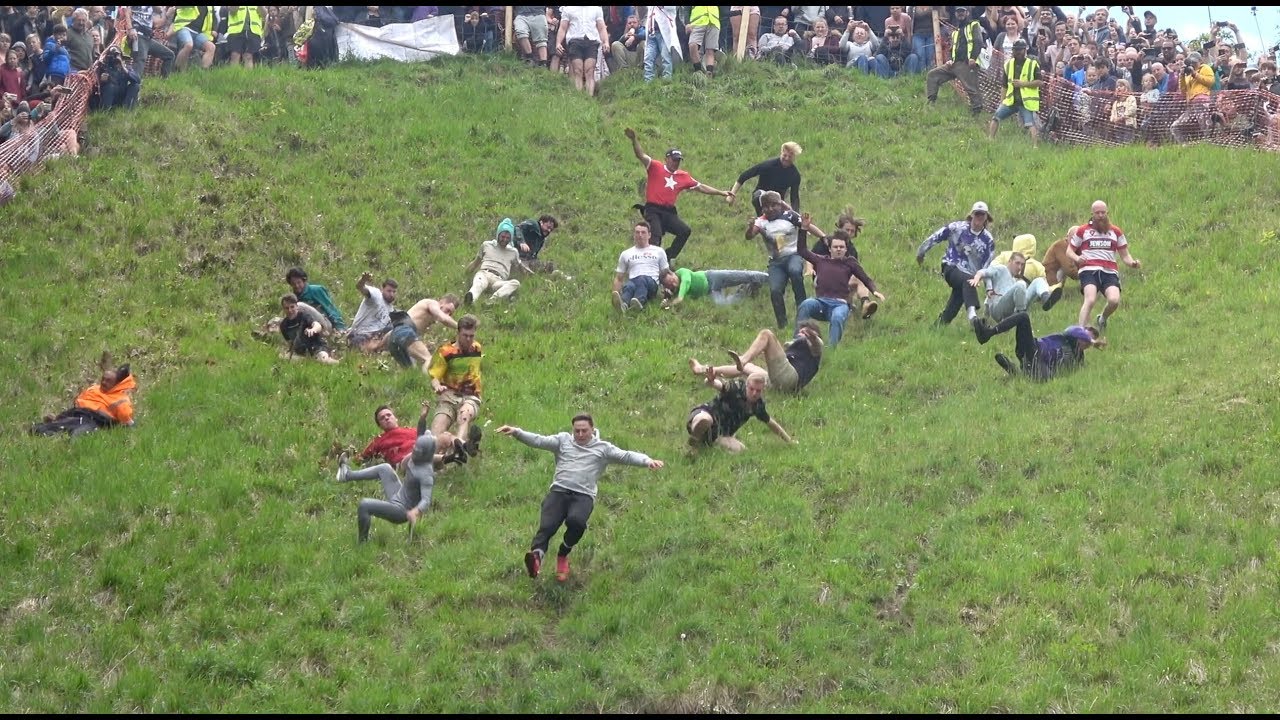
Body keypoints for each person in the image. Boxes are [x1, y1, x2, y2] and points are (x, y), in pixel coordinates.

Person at [500, 414, 664, 582]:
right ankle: (536, 558)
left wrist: (647, 461)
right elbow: (539, 441)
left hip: (583, 496)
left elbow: (626, 455)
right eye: (576, 431)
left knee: (577, 523)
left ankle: (563, 554)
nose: (580, 434)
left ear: (592, 429)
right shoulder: (563, 441)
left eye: (584, 431)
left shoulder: (603, 449)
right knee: (547, 527)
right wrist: (517, 432)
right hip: (559, 492)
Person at [624, 126, 732, 262]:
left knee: (684, 231)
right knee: (655, 237)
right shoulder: (655, 166)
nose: (676, 163)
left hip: (669, 212)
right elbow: (641, 155)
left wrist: (721, 192)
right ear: (667, 159)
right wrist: (634, 140)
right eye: (674, 160)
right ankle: (650, 262)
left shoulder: (683, 176)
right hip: (653, 210)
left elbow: (701, 187)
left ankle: (667, 257)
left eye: (678, 160)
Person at [336, 403, 437, 543]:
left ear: (425, 453)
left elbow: (426, 500)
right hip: (399, 494)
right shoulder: (418, 457)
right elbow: (420, 434)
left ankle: (362, 543)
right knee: (384, 468)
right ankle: (347, 475)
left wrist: (416, 512)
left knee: (364, 505)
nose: (414, 449)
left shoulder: (426, 474)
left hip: (401, 510)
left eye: (417, 449)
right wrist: (423, 417)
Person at [795, 225, 884, 346]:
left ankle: (832, 350)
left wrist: (874, 291)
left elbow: (865, 278)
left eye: (841, 247)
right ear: (830, 249)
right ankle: (797, 342)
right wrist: (803, 229)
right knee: (806, 304)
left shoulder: (850, 263)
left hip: (840, 305)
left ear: (846, 249)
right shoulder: (820, 260)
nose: (838, 249)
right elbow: (802, 250)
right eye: (835, 247)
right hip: (820, 303)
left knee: (837, 317)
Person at [747, 190, 825, 329]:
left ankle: (802, 312)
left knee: (795, 272)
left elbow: (807, 226)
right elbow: (750, 236)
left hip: (793, 255)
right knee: (775, 291)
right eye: (766, 206)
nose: (770, 209)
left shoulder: (790, 215)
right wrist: (749, 227)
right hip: (776, 261)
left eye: (774, 205)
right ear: (762, 208)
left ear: (780, 204)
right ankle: (782, 324)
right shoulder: (761, 221)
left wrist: (824, 237)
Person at [916, 201, 996, 330]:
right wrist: (921, 252)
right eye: (977, 214)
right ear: (972, 214)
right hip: (951, 266)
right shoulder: (957, 228)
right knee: (968, 281)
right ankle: (973, 318)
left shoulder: (988, 240)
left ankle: (936, 329)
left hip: (968, 276)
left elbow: (987, 267)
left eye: (982, 214)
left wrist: (989, 288)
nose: (979, 217)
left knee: (955, 302)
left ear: (987, 217)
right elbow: (936, 237)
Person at [688, 321, 824, 394]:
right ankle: (702, 369)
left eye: (804, 332)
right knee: (747, 367)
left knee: (766, 334)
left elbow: (817, 344)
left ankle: (742, 360)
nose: (800, 334)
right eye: (800, 332)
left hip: (790, 379)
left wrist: (811, 335)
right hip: (781, 385)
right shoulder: (796, 346)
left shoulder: (815, 349)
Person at [1066, 200, 1141, 331]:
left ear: (1107, 213)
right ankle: (1080, 332)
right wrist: (1077, 258)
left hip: (1109, 271)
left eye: (1103, 212)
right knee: (1090, 299)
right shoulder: (1083, 230)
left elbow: (1125, 255)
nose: (1100, 216)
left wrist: (1132, 263)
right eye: (1097, 213)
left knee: (1114, 300)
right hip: (1089, 270)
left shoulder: (1116, 232)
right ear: (1092, 214)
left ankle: (1102, 319)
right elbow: (1069, 251)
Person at [686, 369, 795, 453]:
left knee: (742, 451)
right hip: (705, 415)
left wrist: (789, 441)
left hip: (720, 434)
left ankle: (706, 445)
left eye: (758, 391)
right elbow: (718, 385)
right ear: (746, 386)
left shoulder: (758, 406)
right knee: (705, 420)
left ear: (763, 390)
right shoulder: (736, 387)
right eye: (751, 389)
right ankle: (693, 445)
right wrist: (710, 380)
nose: (754, 393)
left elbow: (771, 423)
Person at [973, 311, 1104, 381]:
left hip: (1041, 366)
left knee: (1045, 378)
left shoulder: (1078, 358)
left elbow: (1078, 374)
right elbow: (1072, 330)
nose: (1086, 343)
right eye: (1085, 338)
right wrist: (1092, 341)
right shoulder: (1070, 337)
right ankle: (988, 333)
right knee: (1023, 317)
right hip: (1033, 349)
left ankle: (1016, 372)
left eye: (1088, 344)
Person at [31, 354, 137, 436]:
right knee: (41, 429)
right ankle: (54, 423)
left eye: (108, 381)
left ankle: (55, 427)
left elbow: (126, 419)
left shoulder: (120, 399)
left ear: (116, 384)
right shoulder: (94, 389)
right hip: (76, 413)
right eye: (103, 379)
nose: (104, 382)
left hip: (94, 420)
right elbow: (79, 401)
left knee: (77, 433)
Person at [428, 314, 484, 456]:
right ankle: (438, 458)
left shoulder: (477, 349)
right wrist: (437, 387)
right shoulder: (446, 352)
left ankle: (459, 448)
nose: (469, 339)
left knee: (464, 414)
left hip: (471, 395)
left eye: (472, 336)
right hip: (449, 396)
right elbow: (435, 377)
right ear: (458, 333)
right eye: (465, 335)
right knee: (436, 431)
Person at [968, 250, 1062, 327]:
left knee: (1038, 280)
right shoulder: (1001, 269)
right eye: (1017, 263)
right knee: (1021, 284)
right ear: (1009, 261)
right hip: (999, 308)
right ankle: (1021, 318)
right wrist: (977, 279)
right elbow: (984, 272)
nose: (1019, 267)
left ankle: (1046, 299)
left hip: (1013, 309)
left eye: (1022, 264)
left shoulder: (1014, 281)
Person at [925, 6, 985, 114]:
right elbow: (953, 48)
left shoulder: (974, 24)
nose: (960, 13)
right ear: (955, 14)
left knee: (971, 88)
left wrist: (973, 58)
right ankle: (931, 102)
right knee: (932, 75)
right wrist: (950, 60)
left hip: (966, 63)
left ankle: (977, 111)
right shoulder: (956, 31)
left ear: (967, 13)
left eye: (962, 11)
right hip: (954, 64)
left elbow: (978, 42)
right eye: (958, 12)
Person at [988, 39, 1045, 146]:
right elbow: (1004, 85)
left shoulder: (1032, 64)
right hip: (1011, 100)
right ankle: (990, 140)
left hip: (1025, 101)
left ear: (1025, 50)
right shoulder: (1008, 65)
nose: (1018, 52)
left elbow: (1040, 82)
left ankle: (1035, 146)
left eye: (1020, 50)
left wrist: (1023, 84)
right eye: (1015, 50)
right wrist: (1002, 101)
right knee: (996, 117)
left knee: (1030, 124)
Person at [385, 295, 460, 373]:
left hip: (395, 336)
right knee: (428, 359)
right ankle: (427, 380)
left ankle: (413, 380)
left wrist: (380, 344)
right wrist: (460, 326)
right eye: (447, 310)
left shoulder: (423, 317)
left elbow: (397, 330)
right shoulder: (432, 303)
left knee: (411, 370)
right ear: (442, 302)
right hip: (405, 332)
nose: (447, 314)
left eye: (450, 314)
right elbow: (443, 318)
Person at [464, 218, 529, 305]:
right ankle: (471, 299)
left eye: (507, 238)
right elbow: (476, 262)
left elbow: (519, 268)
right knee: (479, 284)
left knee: (516, 283)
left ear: (511, 238)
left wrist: (526, 274)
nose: (504, 240)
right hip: (484, 274)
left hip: (498, 280)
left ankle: (491, 302)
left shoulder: (513, 252)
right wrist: (467, 272)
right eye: (502, 237)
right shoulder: (487, 245)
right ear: (498, 234)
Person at [729, 141, 803, 214]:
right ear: (781, 153)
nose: (786, 158)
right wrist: (732, 194)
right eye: (784, 155)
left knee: (779, 212)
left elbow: (794, 198)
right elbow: (744, 176)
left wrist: (797, 217)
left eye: (790, 157)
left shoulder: (795, 175)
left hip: (777, 202)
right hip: (760, 196)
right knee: (761, 197)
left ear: (794, 157)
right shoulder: (769, 165)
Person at [613, 220, 669, 312]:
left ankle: (638, 302)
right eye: (637, 232)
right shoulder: (626, 254)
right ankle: (623, 304)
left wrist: (667, 293)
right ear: (634, 235)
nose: (640, 235)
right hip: (633, 281)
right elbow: (619, 278)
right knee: (629, 286)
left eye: (643, 232)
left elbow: (665, 273)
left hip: (651, 284)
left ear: (649, 235)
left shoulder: (659, 251)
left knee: (641, 279)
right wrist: (615, 293)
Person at [554, 6, 608, 96]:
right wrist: (558, 43)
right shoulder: (568, 9)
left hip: (592, 41)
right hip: (575, 41)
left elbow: (601, 28)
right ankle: (579, 97)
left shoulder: (596, 9)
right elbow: (563, 28)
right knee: (577, 70)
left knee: (590, 70)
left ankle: (589, 97)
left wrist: (606, 42)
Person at [658, 266, 768, 308]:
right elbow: (670, 297)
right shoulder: (674, 290)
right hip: (710, 291)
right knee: (723, 305)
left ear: (673, 273)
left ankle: (769, 277)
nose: (673, 284)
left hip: (713, 277)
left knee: (744, 275)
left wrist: (672, 302)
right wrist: (667, 299)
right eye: (669, 284)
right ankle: (747, 288)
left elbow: (685, 284)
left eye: (672, 280)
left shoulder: (682, 272)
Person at [279, 293, 339, 364]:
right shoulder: (283, 325)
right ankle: (309, 361)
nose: (290, 310)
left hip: (317, 346)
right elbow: (290, 343)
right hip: (301, 352)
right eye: (287, 308)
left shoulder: (304, 316)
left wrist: (313, 330)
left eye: (292, 307)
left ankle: (335, 362)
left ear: (297, 306)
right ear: (283, 309)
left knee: (321, 359)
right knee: (284, 357)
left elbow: (317, 325)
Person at [347, 273, 397, 353]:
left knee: (396, 327)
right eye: (389, 291)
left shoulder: (391, 310)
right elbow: (360, 287)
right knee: (358, 344)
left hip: (376, 336)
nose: (391, 294)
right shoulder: (376, 295)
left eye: (394, 292)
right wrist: (363, 280)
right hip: (360, 333)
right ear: (382, 289)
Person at [285, 267, 344, 331]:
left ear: (304, 281)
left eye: (299, 282)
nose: (297, 286)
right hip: (309, 327)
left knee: (299, 305)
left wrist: (340, 328)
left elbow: (330, 308)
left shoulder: (316, 290)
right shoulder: (294, 297)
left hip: (325, 324)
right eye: (293, 284)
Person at [687, 6, 719, 77]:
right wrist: (687, 23)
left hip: (713, 21)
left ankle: (709, 74)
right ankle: (698, 70)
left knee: (710, 50)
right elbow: (686, 8)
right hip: (697, 23)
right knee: (692, 45)